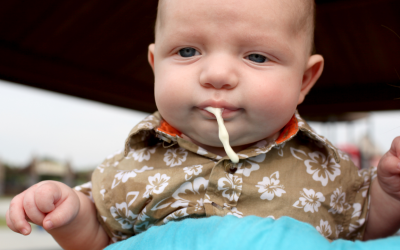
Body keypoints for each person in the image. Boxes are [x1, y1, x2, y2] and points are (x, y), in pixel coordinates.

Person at [6, 0, 400, 249]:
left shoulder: (326, 170)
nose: (216, 74)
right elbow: (97, 239)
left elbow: (367, 227)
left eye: (257, 57)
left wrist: (389, 193)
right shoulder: (129, 169)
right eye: (188, 51)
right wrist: (71, 214)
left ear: (303, 81)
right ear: (156, 65)